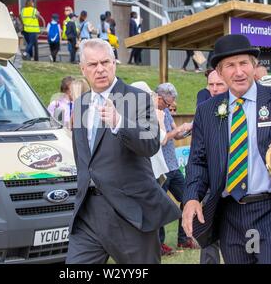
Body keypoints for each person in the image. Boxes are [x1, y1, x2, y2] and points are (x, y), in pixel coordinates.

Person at [182, 34, 271, 264]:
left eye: (244, 63)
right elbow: (198, 161)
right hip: (229, 215)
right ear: (219, 71)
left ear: (254, 66)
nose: (239, 72)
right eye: (230, 65)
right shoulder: (207, 111)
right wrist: (191, 198)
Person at [66, 39, 180, 264]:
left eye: (105, 62)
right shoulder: (80, 105)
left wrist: (119, 122)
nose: (100, 69)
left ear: (114, 63)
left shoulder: (138, 98)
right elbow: (83, 158)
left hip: (130, 212)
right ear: (82, 69)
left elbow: (150, 145)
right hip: (88, 212)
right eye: (92, 64)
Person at [155, 83, 196, 255]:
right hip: (160, 168)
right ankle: (159, 245)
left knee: (188, 198)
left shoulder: (164, 111)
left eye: (171, 104)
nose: (168, 107)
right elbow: (162, 139)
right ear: (158, 97)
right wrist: (179, 129)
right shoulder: (150, 113)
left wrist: (188, 130)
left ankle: (183, 239)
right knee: (159, 206)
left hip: (173, 166)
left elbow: (175, 134)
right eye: (167, 103)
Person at [195, 69, 228, 264]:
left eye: (219, 85)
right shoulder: (205, 109)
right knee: (208, 232)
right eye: (211, 85)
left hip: (236, 181)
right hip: (211, 182)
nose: (214, 89)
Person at [131, 81, 169, 181]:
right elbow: (163, 140)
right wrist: (160, 121)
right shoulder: (144, 116)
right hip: (149, 172)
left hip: (143, 172)